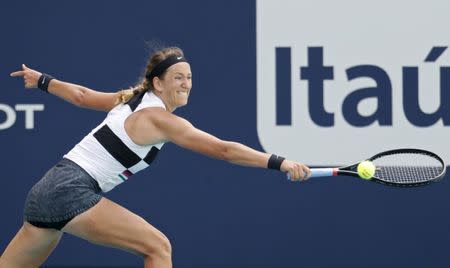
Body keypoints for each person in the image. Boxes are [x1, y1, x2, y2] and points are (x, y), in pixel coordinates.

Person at [0, 46, 311, 268]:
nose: (186, 83)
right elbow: (223, 150)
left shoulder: (129, 99)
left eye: (189, 77)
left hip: (46, 191)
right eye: (178, 77)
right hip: (70, 191)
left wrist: (42, 81)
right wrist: (280, 161)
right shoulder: (160, 119)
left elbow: (82, 96)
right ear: (158, 83)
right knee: (158, 247)